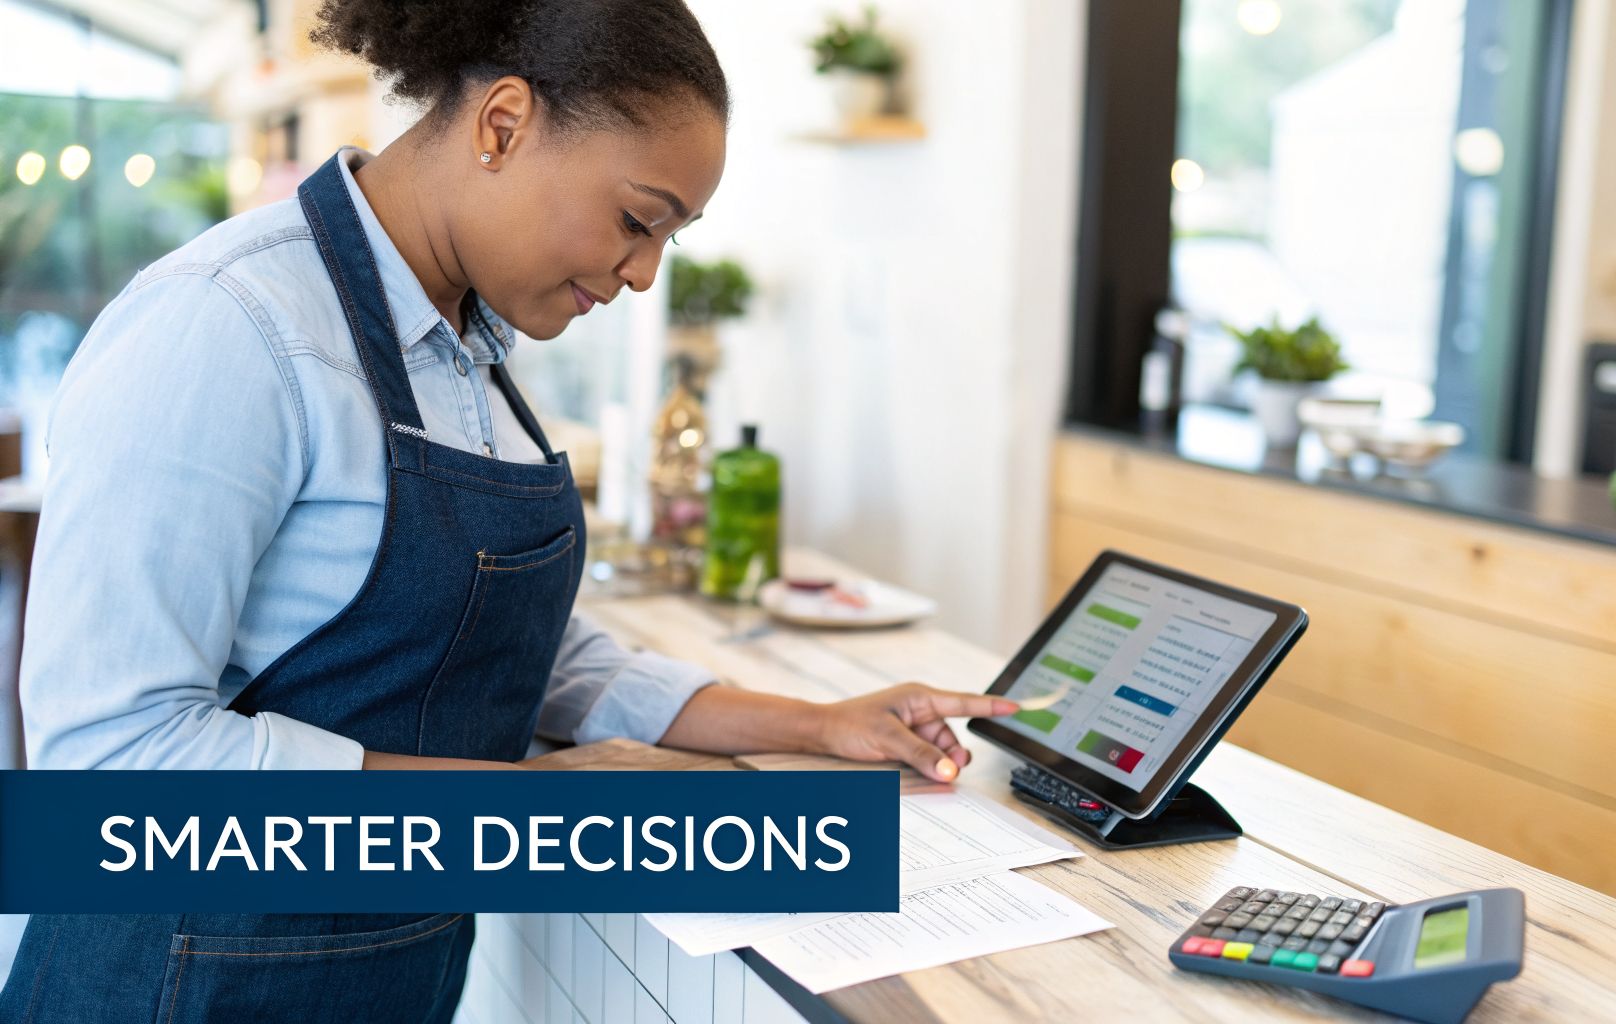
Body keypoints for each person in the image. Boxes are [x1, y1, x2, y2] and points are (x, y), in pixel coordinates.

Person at [0, 1, 1014, 1020]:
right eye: (635, 219)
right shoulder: (229, 326)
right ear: (502, 125)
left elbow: (517, 655)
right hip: (177, 981)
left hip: (380, 974)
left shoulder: (463, 347)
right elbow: (112, 762)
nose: (644, 271)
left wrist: (821, 723)